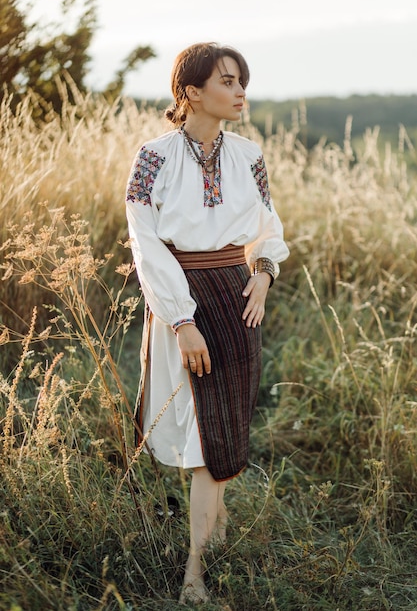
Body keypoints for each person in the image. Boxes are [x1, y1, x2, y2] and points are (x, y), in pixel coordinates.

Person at [125, 42, 289, 604]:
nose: (241, 91)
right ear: (191, 91)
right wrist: (180, 320)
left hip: (238, 298)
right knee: (200, 434)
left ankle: (212, 541)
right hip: (182, 300)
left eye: (243, 80)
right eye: (228, 81)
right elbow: (146, 245)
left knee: (224, 426)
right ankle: (195, 572)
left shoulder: (249, 155)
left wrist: (263, 275)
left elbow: (269, 227)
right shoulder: (153, 157)